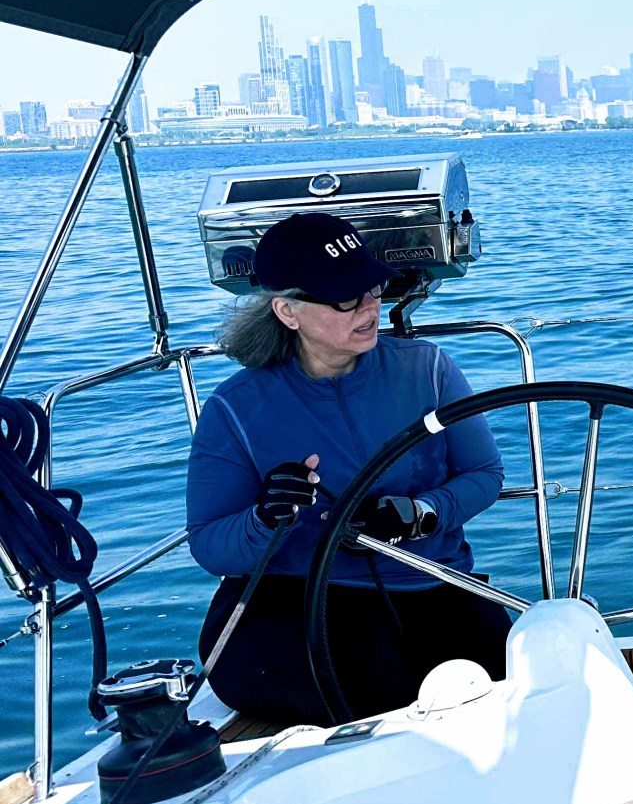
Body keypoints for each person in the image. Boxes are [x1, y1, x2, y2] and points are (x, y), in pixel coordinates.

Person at [186, 212, 510, 724]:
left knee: (508, 687)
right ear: (287, 311)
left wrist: (422, 513)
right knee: (379, 700)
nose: (369, 308)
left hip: (429, 581)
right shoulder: (236, 408)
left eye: (373, 288)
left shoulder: (426, 368)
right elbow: (209, 544)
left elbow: (485, 475)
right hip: (300, 595)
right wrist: (265, 518)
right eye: (345, 298)